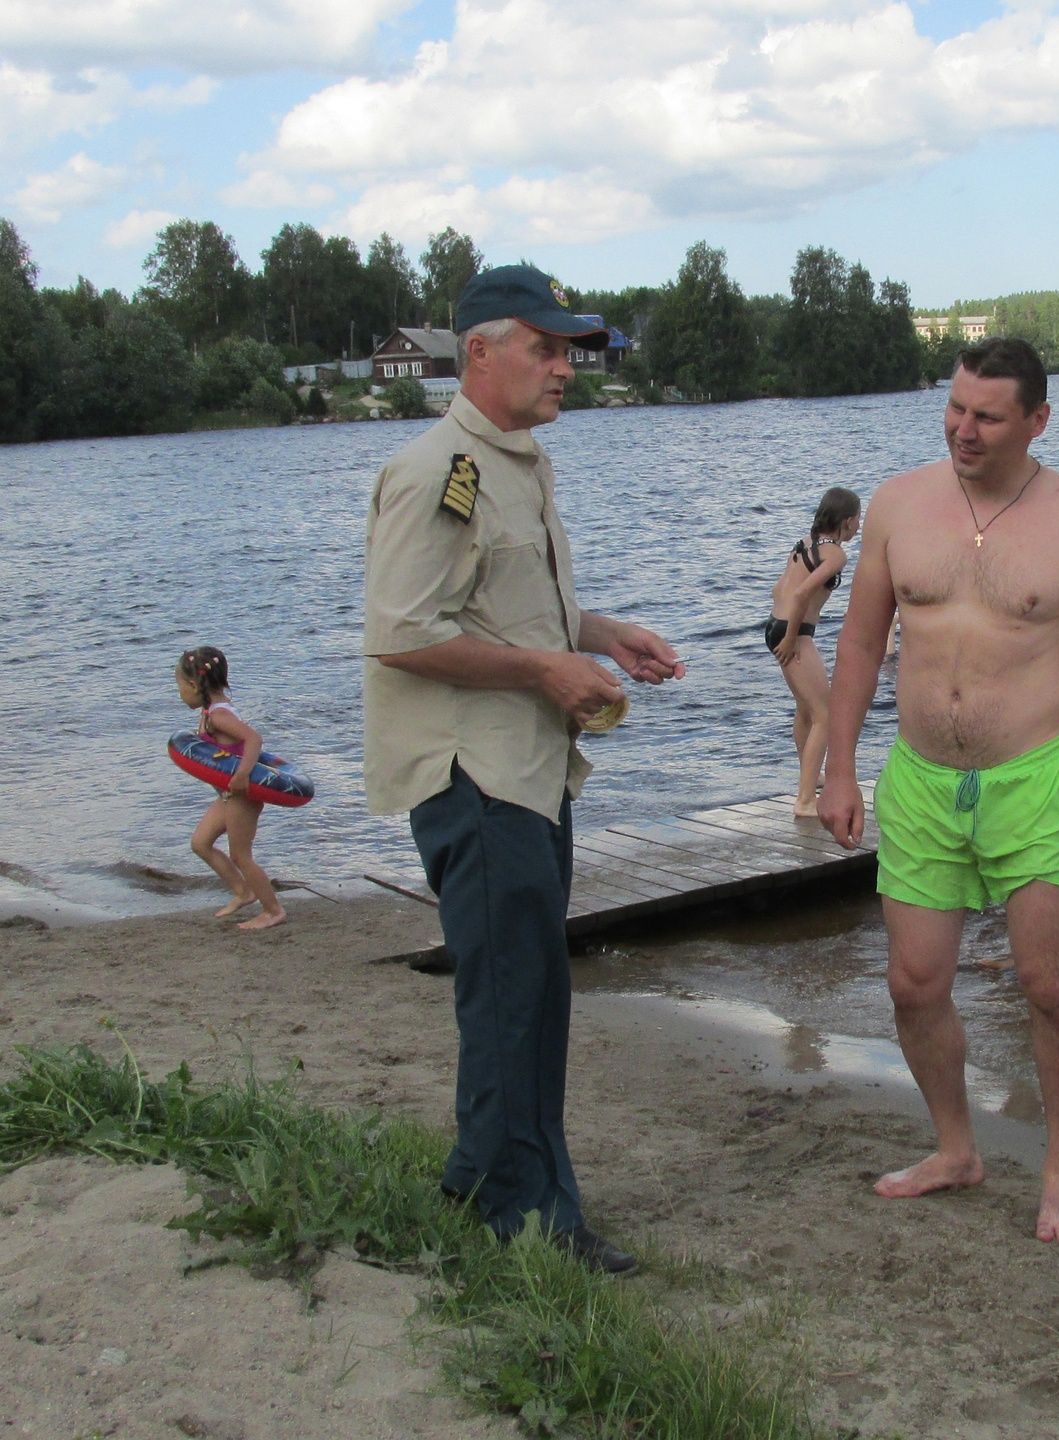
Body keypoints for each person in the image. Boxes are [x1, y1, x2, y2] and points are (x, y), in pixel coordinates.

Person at [362, 264, 686, 1276]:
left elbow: (496, 602)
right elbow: (402, 635)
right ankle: (530, 1219)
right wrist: (548, 666)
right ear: (478, 353)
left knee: (528, 989)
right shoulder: (437, 472)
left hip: (528, 769)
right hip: (474, 774)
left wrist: (598, 632)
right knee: (515, 995)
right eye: (544, 349)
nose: (564, 369)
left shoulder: (517, 462)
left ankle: (479, 1176)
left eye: (567, 351)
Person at [818, 337, 1059, 1245]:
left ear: (1037, 420)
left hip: (1038, 780)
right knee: (914, 979)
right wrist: (838, 766)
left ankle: (1057, 1171)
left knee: (1052, 989)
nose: (964, 429)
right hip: (922, 779)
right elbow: (856, 645)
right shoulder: (898, 506)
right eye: (956, 408)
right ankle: (956, 1149)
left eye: (988, 415)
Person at [767, 486, 862, 817]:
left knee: (806, 709)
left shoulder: (805, 543)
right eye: (858, 520)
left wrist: (782, 630)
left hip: (774, 626)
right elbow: (801, 594)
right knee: (826, 714)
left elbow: (779, 588)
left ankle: (811, 778)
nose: (858, 527)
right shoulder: (835, 554)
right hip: (794, 633)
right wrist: (793, 637)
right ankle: (805, 801)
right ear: (848, 521)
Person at [176, 645, 286, 931]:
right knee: (200, 843)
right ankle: (243, 892)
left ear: (194, 684)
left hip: (241, 796)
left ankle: (273, 910)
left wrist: (242, 775)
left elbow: (253, 739)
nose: (178, 692)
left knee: (241, 854)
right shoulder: (211, 712)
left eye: (179, 685)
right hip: (226, 796)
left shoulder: (219, 716)